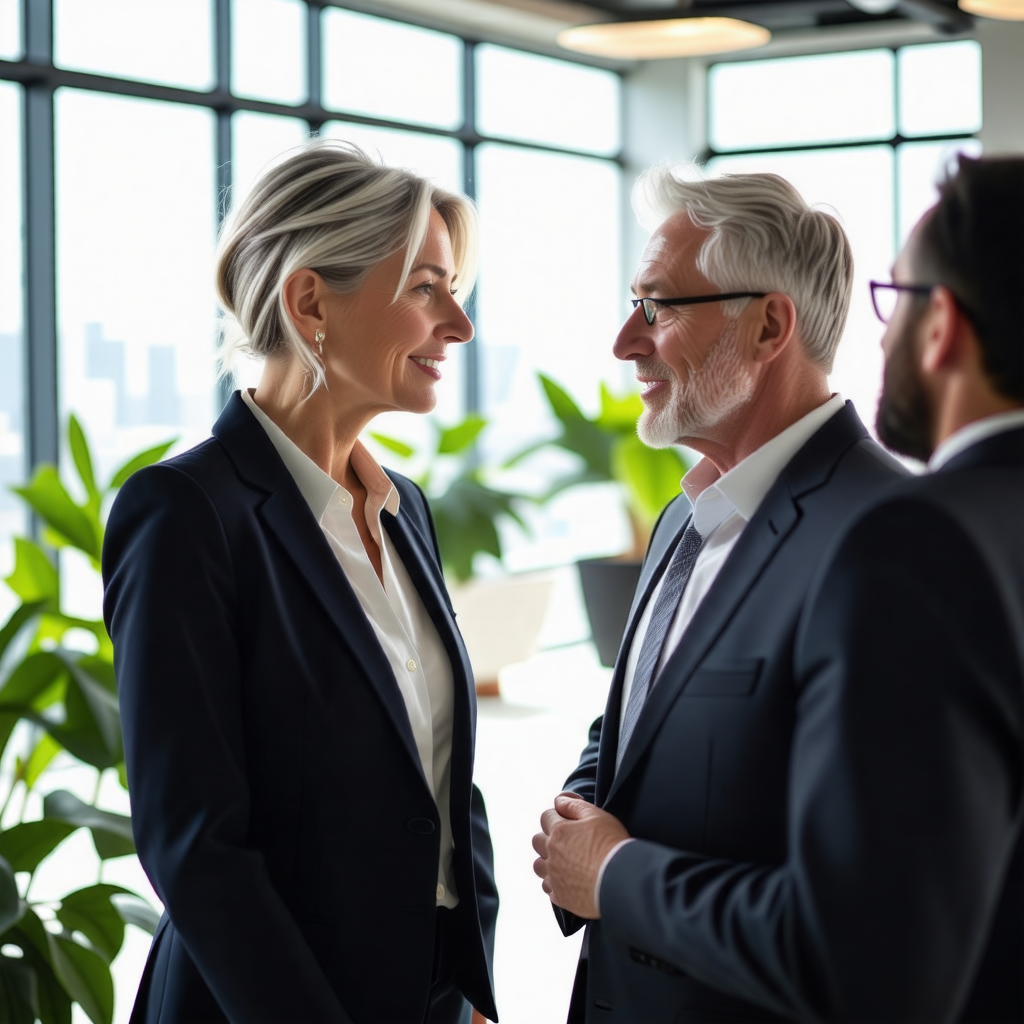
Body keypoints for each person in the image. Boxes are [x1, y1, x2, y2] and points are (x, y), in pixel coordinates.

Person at [103, 140, 498, 1024]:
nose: (459, 326)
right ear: (311, 300)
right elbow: (195, 844)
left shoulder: (408, 512)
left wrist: (469, 988)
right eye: (427, 288)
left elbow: (441, 787)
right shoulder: (185, 512)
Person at [532, 167, 908, 1023]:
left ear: (770, 323)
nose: (626, 341)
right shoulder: (683, 515)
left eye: (658, 307)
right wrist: (575, 819)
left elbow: (865, 909)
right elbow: (641, 722)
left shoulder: (888, 541)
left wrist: (613, 875)